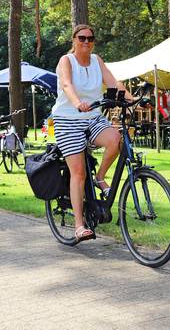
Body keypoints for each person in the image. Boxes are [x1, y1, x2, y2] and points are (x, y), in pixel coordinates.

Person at [52, 24, 131, 242]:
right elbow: (66, 84)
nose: (86, 42)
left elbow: (114, 83)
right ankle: (79, 225)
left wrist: (133, 100)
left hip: (92, 118)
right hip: (68, 119)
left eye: (90, 38)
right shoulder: (66, 61)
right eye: (82, 38)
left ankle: (99, 177)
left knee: (116, 139)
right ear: (74, 40)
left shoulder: (97, 61)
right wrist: (77, 102)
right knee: (78, 173)